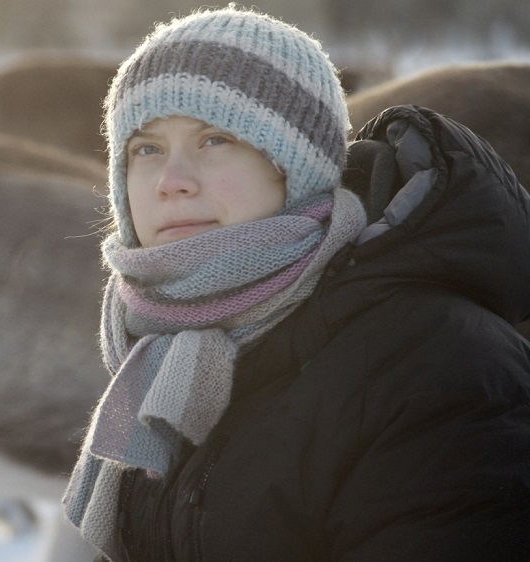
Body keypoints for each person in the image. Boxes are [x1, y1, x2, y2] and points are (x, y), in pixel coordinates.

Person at [62, 5, 530, 561]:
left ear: (298, 165)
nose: (171, 181)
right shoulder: (163, 357)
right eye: (146, 149)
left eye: (215, 138)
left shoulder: (437, 369)